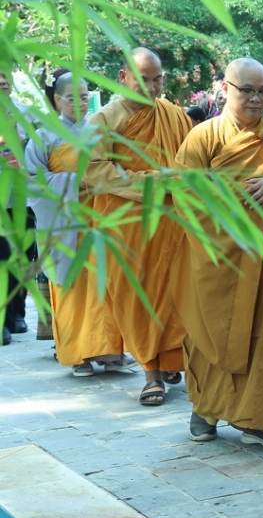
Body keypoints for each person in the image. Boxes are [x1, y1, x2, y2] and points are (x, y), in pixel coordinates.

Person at [173, 59, 263, 451]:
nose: (257, 99)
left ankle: (260, 420)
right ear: (226, 89)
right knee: (211, 329)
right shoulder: (203, 136)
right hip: (218, 256)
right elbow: (185, 193)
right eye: (248, 91)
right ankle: (205, 409)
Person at [83, 48, 191, 406]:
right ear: (122, 76)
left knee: (175, 294)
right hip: (126, 226)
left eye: (157, 78)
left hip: (172, 223)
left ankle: (171, 360)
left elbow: (190, 160)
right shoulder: (103, 120)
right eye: (143, 78)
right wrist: (154, 182)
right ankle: (150, 372)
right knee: (136, 299)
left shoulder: (174, 115)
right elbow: (96, 172)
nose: (151, 86)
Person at [25, 70, 127, 376]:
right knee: (70, 288)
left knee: (103, 285)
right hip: (62, 224)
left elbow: (114, 169)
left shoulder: (99, 131)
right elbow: (32, 181)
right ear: (58, 99)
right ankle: (78, 355)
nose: (80, 103)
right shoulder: (43, 135)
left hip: (98, 219)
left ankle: (108, 351)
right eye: (72, 98)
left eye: (85, 97)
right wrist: (76, 182)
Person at [1, 68, 38, 346]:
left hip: (23, 197)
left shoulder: (28, 114)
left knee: (23, 256)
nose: (2, 82)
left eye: (5, 76)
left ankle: (17, 314)